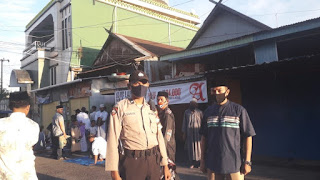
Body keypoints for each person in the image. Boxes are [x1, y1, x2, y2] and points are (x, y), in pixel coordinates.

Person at [106, 70, 171, 180]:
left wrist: (165, 164)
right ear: (129, 86)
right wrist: (114, 172)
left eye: (143, 82)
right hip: (132, 162)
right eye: (136, 83)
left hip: (153, 161)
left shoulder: (151, 108)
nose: (140, 86)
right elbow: (112, 139)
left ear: (148, 85)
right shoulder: (120, 107)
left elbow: (159, 136)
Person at [199, 82, 256, 180]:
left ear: (227, 92)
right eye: (214, 91)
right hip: (213, 162)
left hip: (234, 163)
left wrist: (247, 161)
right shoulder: (208, 112)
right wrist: (202, 161)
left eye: (219, 90)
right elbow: (204, 137)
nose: (217, 93)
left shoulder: (238, 110)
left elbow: (248, 136)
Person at [0, 92, 39, 179]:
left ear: (10, 106)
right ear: (28, 107)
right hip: (27, 175)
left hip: (5, 175)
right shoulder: (34, 126)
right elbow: (31, 147)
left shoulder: (1, 124)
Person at [157, 91, 178, 180]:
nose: (159, 102)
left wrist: (163, 151)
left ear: (167, 101)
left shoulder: (168, 114)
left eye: (161, 99)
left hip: (167, 147)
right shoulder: (160, 113)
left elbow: (167, 135)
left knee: (169, 172)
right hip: (162, 147)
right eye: (158, 100)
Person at [182, 98, 203, 168]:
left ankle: (199, 163)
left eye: (194, 103)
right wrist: (184, 133)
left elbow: (203, 123)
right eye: (191, 103)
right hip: (190, 133)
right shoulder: (186, 112)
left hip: (198, 134)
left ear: (196, 104)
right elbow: (184, 123)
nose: (192, 104)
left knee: (199, 148)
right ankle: (192, 163)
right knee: (190, 148)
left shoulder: (199, 112)